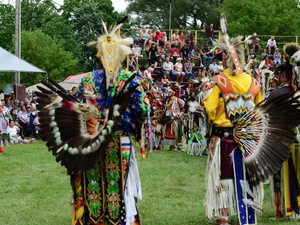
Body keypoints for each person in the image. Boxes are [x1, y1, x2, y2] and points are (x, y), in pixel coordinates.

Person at [36, 20, 148, 225]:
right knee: (119, 189)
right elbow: (142, 111)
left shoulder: (88, 80)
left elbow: (78, 108)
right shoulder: (130, 79)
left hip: (90, 144)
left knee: (92, 186)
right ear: (121, 54)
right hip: (119, 143)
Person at [203, 14, 264, 225]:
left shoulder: (218, 81)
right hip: (249, 140)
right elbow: (261, 108)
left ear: (227, 59)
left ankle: (224, 215)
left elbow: (210, 110)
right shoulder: (254, 82)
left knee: (224, 176)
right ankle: (247, 214)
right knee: (246, 176)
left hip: (224, 138)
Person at [267, 43, 300, 220]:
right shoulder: (294, 91)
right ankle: (293, 209)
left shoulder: (280, 92)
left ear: (284, 74)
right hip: (294, 139)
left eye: (278, 74)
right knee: (295, 175)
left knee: (281, 176)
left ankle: (283, 211)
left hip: (279, 140)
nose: (276, 77)